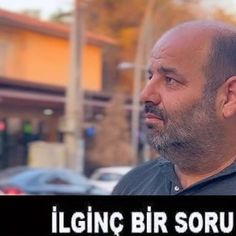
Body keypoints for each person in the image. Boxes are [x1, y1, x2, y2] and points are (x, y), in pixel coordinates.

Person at [112, 20, 236, 195]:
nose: (145, 95)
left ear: (230, 97)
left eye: (170, 80)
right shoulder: (133, 184)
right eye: (150, 77)